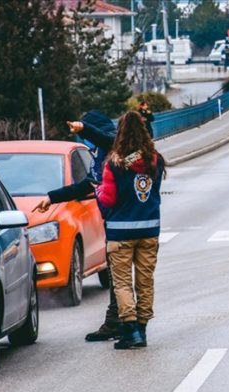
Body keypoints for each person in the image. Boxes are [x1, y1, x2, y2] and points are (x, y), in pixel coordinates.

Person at [32, 110, 121, 342]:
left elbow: (108, 139)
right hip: (112, 223)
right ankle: (118, 323)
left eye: (88, 138)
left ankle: (129, 325)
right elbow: (86, 186)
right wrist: (52, 197)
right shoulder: (100, 152)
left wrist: (84, 128)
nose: (88, 143)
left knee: (122, 277)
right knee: (118, 277)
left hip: (124, 223)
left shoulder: (117, 146)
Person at [96, 111, 165, 350]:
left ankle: (131, 330)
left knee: (122, 283)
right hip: (149, 230)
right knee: (145, 281)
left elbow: (109, 199)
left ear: (120, 133)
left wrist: (98, 193)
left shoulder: (114, 163)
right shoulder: (155, 159)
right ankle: (143, 330)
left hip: (120, 232)